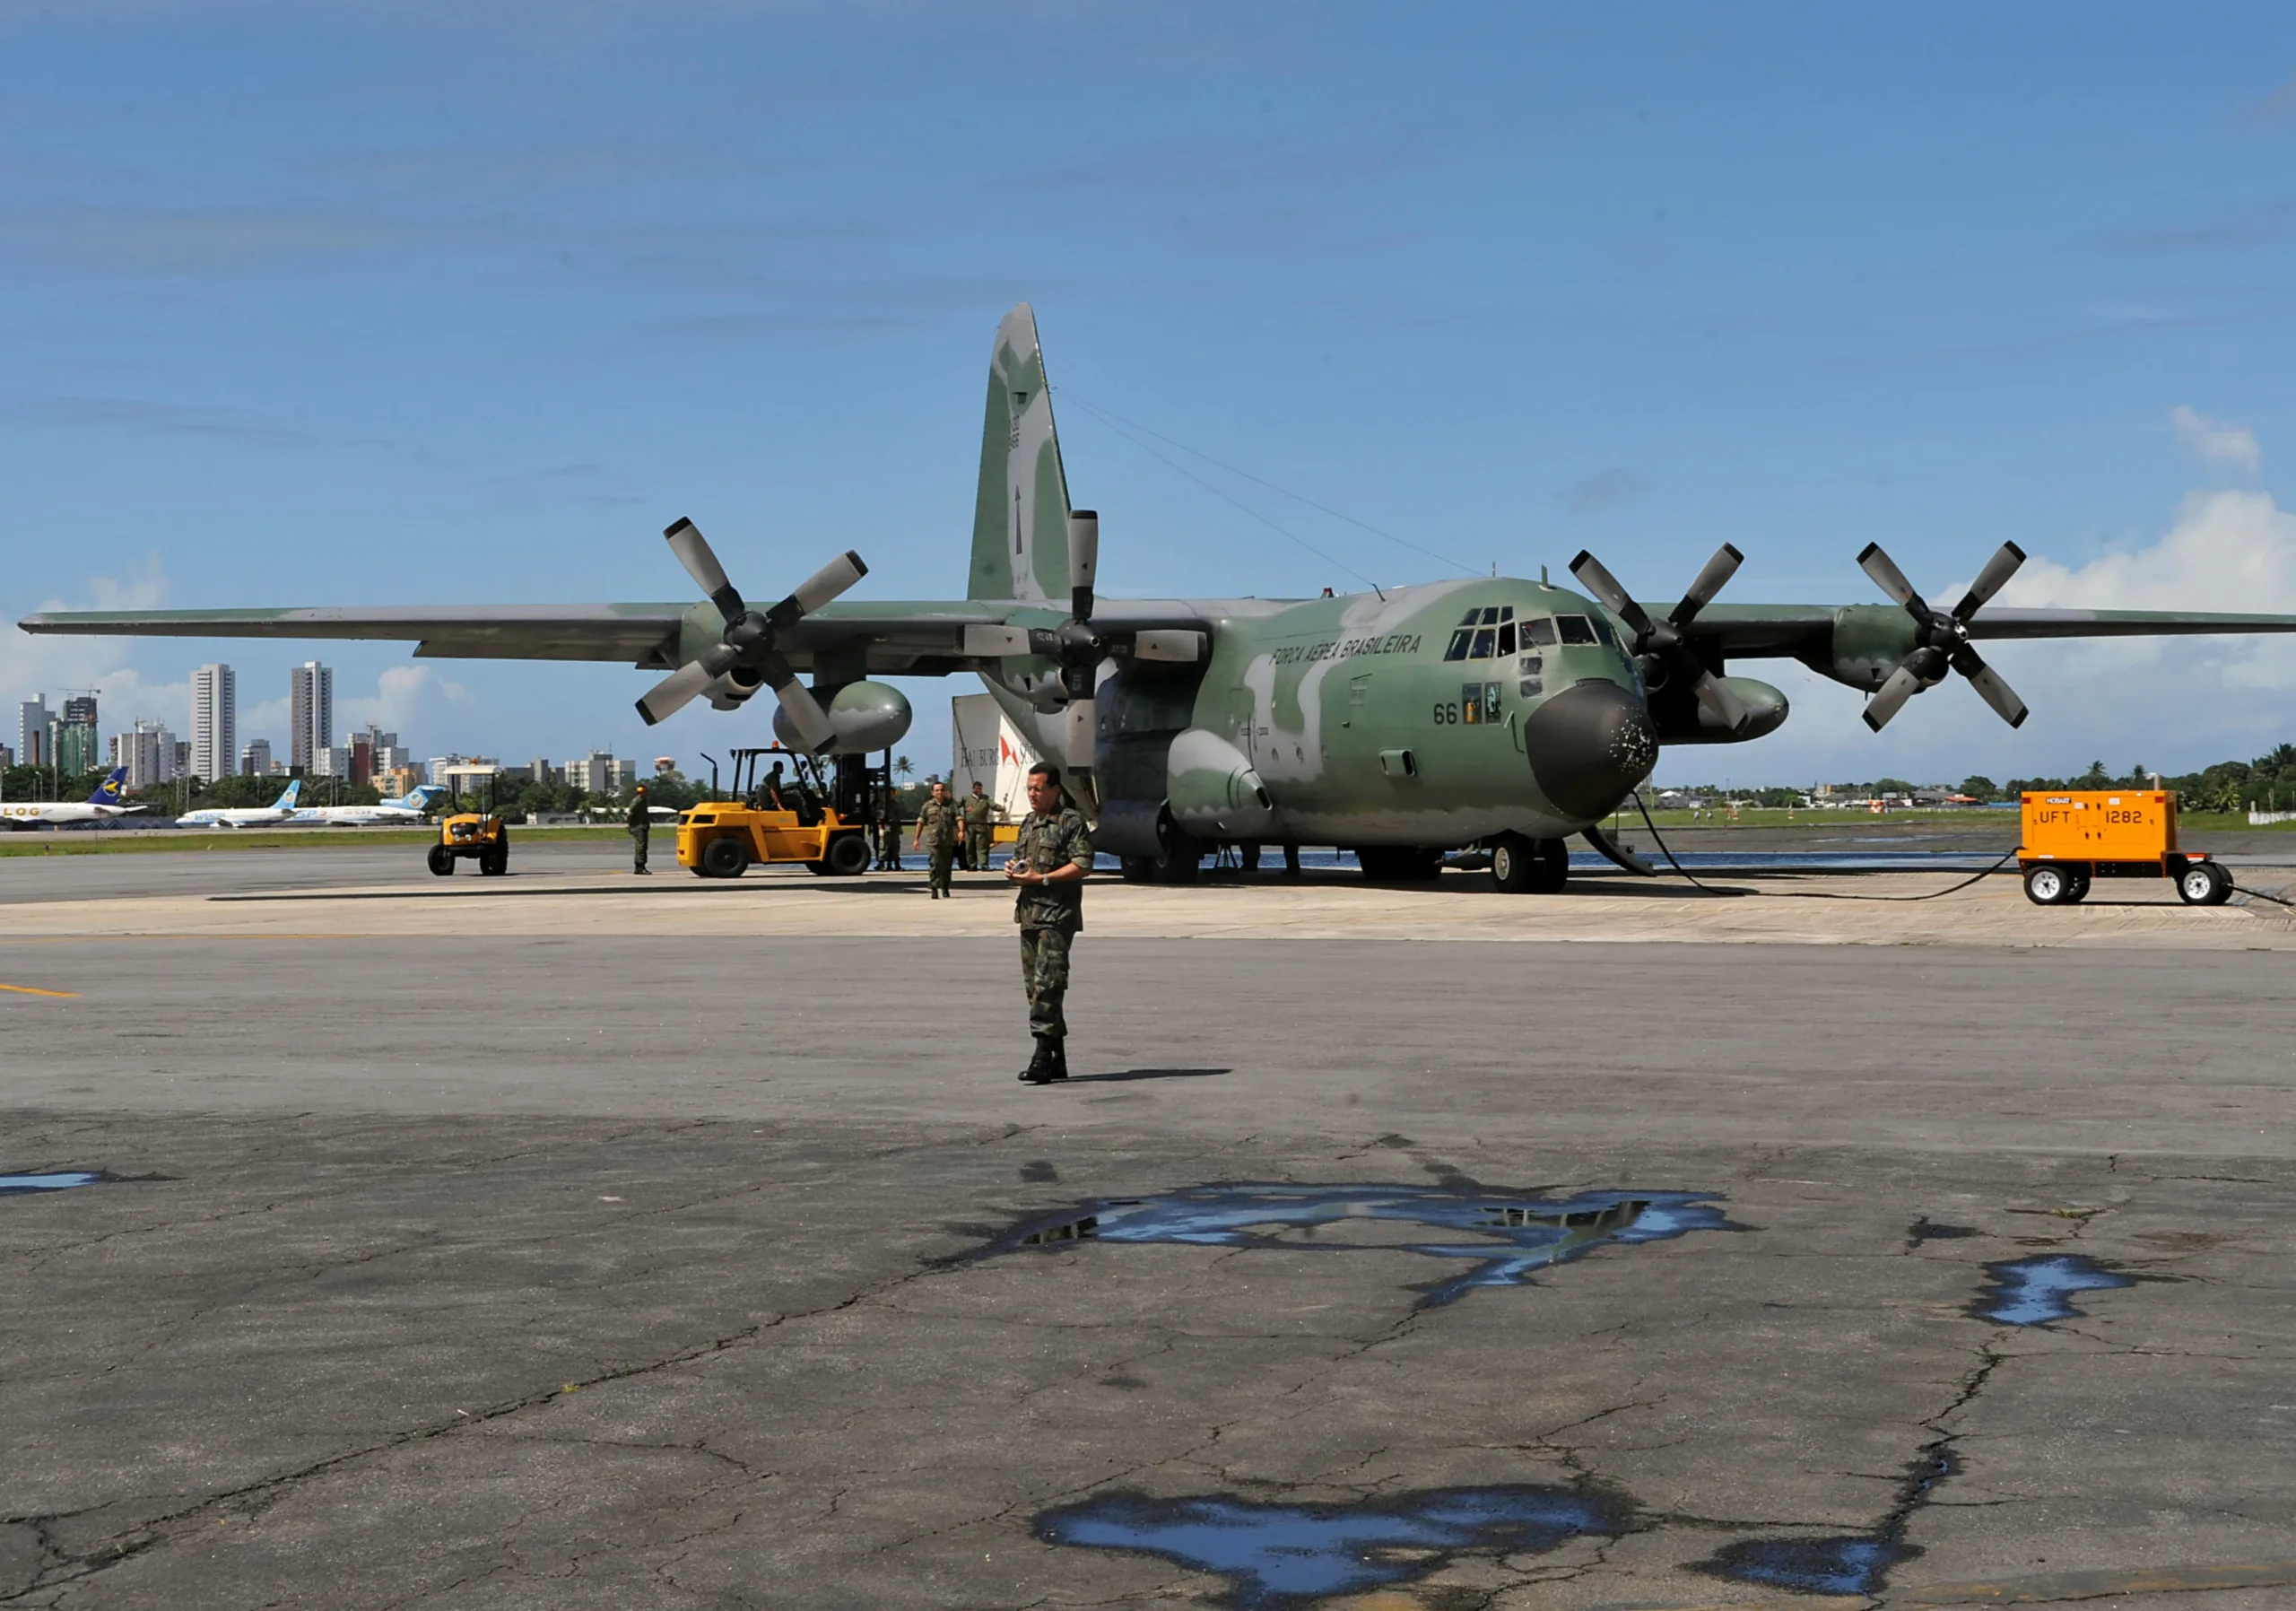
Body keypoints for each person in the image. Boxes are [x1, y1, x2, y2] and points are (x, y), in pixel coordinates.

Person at [1007, 762, 1092, 1084]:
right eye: (1029, 788)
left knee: (1048, 986)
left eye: (1038, 789)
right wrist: (1016, 873)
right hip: (1029, 916)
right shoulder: (1029, 822)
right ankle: (1057, 1058)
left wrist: (1042, 879)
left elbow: (1083, 864)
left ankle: (1042, 1057)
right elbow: (1023, 863)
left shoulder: (1070, 821)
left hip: (1056, 917)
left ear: (1055, 790)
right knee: (1034, 989)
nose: (1032, 794)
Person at [913, 779, 959, 898]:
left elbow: (959, 818)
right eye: (937, 790)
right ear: (932, 792)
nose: (939, 792)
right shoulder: (927, 806)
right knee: (934, 864)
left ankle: (945, 887)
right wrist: (916, 839)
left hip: (947, 840)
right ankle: (934, 887)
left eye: (941, 790)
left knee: (947, 866)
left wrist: (962, 831)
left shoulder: (951, 805)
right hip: (933, 841)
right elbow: (920, 822)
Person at [961, 779, 994, 872]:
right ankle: (972, 865)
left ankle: (983, 865)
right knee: (969, 846)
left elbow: (993, 805)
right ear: (973, 789)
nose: (979, 790)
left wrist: (1001, 808)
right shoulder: (966, 798)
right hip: (969, 827)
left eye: (980, 789)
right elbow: (957, 805)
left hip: (981, 825)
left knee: (982, 846)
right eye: (977, 789)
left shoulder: (986, 798)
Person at [626, 783, 651, 874]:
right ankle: (640, 867)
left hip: (642, 826)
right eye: (645, 791)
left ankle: (639, 867)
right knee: (641, 846)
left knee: (643, 846)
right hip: (638, 827)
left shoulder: (643, 800)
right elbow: (630, 814)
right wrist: (630, 825)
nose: (647, 793)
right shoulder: (637, 801)